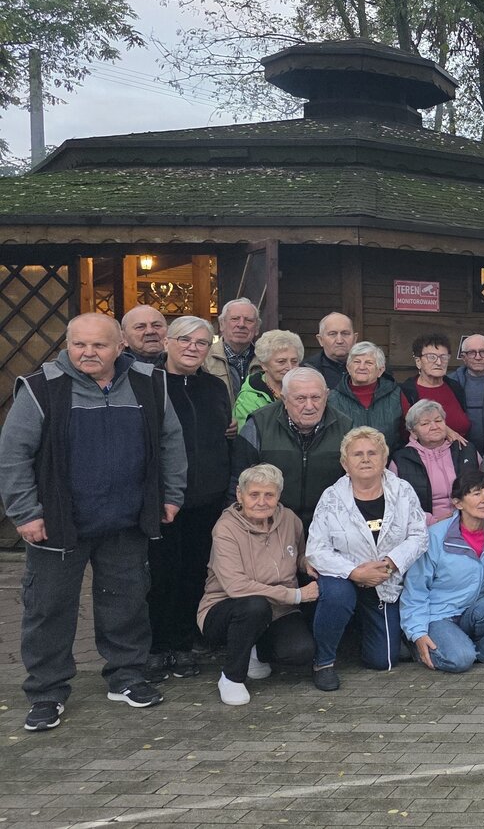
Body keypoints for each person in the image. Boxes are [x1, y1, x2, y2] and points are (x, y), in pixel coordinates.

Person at [0, 313, 187, 731]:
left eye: (99, 345)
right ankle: (47, 692)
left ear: (120, 345)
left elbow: (170, 440)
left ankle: (126, 676)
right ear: (67, 344)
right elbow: (13, 456)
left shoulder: (147, 383)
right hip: (58, 523)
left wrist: (171, 494)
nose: (88, 353)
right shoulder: (41, 388)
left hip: (125, 520)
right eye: (79, 344)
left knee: (127, 602)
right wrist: (25, 512)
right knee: (48, 609)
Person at [306, 426, 429, 690]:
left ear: (384, 459)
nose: (365, 459)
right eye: (357, 454)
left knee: (383, 660)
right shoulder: (331, 497)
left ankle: (361, 636)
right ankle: (324, 661)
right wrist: (355, 572)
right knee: (339, 597)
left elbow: (419, 535)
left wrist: (389, 564)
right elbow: (316, 549)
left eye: (372, 453)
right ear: (344, 462)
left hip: (385, 578)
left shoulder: (402, 491)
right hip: (343, 578)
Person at [147, 315, 234, 682]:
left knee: (194, 574)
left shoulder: (215, 387)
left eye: (201, 343)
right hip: (163, 499)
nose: (192, 348)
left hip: (207, 499)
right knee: (160, 575)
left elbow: (223, 436)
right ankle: (155, 647)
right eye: (184, 340)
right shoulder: (148, 384)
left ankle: (183, 645)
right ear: (167, 341)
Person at [197, 463, 318, 706]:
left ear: (278, 496)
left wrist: (307, 564)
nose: (262, 501)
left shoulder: (289, 520)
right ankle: (232, 677)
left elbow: (300, 555)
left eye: (269, 495)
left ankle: (255, 650)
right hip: (227, 609)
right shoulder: (226, 529)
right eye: (254, 495)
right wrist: (295, 595)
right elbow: (236, 587)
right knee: (254, 606)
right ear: (240, 495)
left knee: (300, 651)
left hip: (278, 610)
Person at [398, 470, 484, 674]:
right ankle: (420, 648)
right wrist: (417, 632)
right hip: (439, 616)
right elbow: (416, 589)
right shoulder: (435, 536)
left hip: (472, 611)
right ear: (458, 503)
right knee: (460, 660)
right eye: (476, 494)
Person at [237, 367, 354, 527]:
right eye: (300, 399)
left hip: (328, 525)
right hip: (271, 524)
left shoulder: (346, 428)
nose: (309, 406)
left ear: (326, 396)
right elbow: (238, 479)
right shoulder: (258, 425)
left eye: (316, 397)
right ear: (284, 399)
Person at [390, 399, 480, 524]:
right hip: (425, 527)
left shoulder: (465, 449)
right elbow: (397, 503)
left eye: (438, 421)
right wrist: (432, 521)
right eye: (425, 424)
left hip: (469, 521)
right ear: (413, 432)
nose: (434, 427)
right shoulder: (401, 460)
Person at [329, 341, 405, 454]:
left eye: (369, 363)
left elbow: (407, 432)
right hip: (344, 466)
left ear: (380, 370)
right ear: (348, 368)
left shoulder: (396, 395)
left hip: (389, 464)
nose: (362, 367)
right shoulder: (332, 398)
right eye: (356, 362)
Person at [399, 333, 471, 440]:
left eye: (444, 357)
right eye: (431, 357)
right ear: (418, 362)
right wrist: (447, 431)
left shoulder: (455, 387)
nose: (439, 362)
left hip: (460, 454)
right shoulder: (406, 392)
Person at [232, 329, 304, 425]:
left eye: (294, 361)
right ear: (263, 364)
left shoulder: (307, 390)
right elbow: (250, 435)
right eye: (281, 361)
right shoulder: (249, 398)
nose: (289, 367)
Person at [204, 297, 261, 399]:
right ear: (222, 324)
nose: (241, 324)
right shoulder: (204, 358)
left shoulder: (266, 360)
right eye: (235, 319)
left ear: (257, 328)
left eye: (249, 320)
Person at [304, 312, 358, 391]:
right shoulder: (307, 370)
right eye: (332, 334)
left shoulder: (371, 368)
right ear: (320, 340)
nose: (339, 340)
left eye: (345, 333)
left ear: (355, 338)